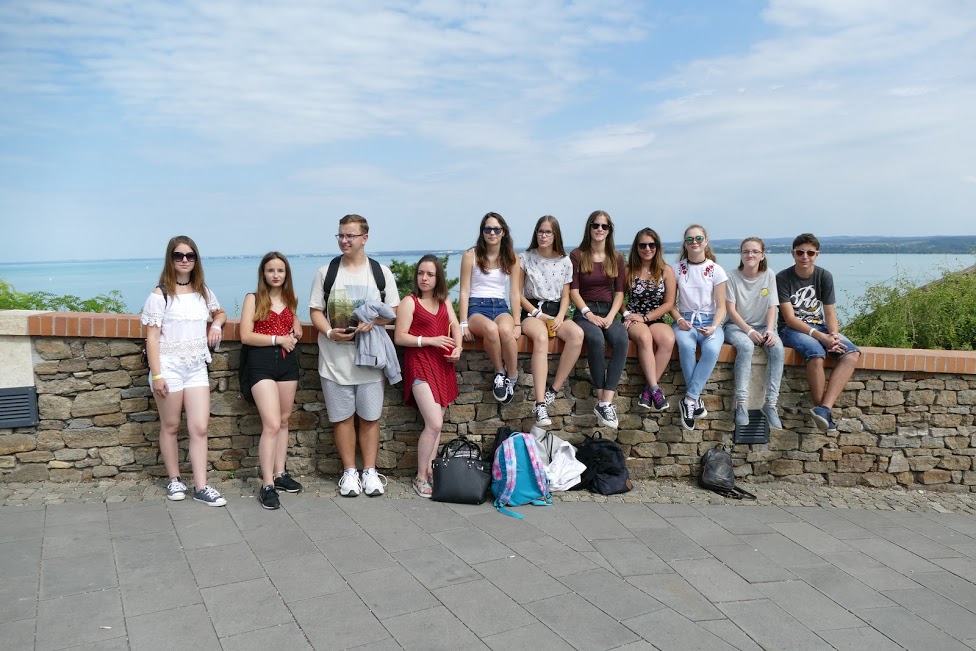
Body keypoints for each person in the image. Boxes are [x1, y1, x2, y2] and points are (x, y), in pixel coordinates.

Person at [309, 214, 400, 497]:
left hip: (370, 360)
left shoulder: (380, 273)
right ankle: (349, 472)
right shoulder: (326, 273)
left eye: (350, 235)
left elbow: (393, 312)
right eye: (340, 235)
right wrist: (329, 332)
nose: (344, 240)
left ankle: (369, 471)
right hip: (335, 360)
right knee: (342, 418)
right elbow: (315, 311)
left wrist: (373, 322)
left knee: (371, 418)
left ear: (364, 238)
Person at [142, 236, 228, 506]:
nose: (184, 260)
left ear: (196, 259)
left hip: (196, 367)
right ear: (170, 259)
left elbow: (220, 312)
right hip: (168, 367)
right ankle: (175, 479)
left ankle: (201, 486)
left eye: (190, 256)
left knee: (199, 427)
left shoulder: (203, 291)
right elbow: (152, 338)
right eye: (178, 255)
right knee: (170, 426)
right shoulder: (160, 295)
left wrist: (216, 325)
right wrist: (157, 374)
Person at [394, 255, 463, 497]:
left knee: (436, 426)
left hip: (443, 365)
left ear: (437, 278)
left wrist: (458, 347)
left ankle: (430, 471)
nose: (424, 278)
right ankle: (420, 477)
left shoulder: (443, 301)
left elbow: (455, 326)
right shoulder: (409, 302)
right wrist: (430, 340)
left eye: (430, 274)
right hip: (419, 364)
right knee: (434, 423)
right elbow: (400, 337)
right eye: (421, 273)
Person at [777, 233, 860, 432]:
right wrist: (821, 337)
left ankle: (824, 409)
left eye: (810, 253)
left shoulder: (824, 276)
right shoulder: (782, 278)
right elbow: (790, 318)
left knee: (851, 353)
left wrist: (834, 336)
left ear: (817, 255)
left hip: (820, 327)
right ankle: (820, 408)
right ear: (793, 254)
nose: (805, 256)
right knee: (815, 353)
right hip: (791, 329)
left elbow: (829, 312)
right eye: (800, 252)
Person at [240, 252, 304, 510]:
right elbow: (246, 335)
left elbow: (293, 322)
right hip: (261, 364)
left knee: (284, 421)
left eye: (280, 270)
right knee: (272, 424)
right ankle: (267, 484)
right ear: (263, 273)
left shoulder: (291, 298)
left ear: (286, 274)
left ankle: (280, 474)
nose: (276, 275)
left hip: (287, 364)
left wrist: (297, 325)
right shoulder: (253, 298)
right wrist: (278, 339)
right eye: (271, 270)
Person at [518, 216, 584, 426]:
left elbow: (566, 296)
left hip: (556, 311)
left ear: (555, 235)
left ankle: (552, 390)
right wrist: (538, 315)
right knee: (540, 337)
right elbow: (517, 294)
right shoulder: (525, 258)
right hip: (532, 310)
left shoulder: (565, 261)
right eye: (540, 231)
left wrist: (560, 316)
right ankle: (540, 405)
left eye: (548, 232)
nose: (543, 235)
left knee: (577, 335)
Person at [570, 210, 628, 429]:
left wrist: (611, 316)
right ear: (589, 228)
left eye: (604, 226)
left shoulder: (616, 257)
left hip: (608, 310)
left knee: (621, 339)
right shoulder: (578, 255)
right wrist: (589, 314)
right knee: (596, 339)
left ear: (609, 230)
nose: (600, 229)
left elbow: (619, 293)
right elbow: (574, 291)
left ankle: (605, 402)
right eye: (596, 225)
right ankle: (601, 397)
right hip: (585, 311)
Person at [458, 212, 522, 404]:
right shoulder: (471, 255)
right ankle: (499, 373)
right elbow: (464, 291)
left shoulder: (512, 257)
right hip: (477, 307)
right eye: (488, 229)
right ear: (482, 232)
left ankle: (512, 376)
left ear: (503, 232)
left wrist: (517, 322)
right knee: (492, 329)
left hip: (500, 307)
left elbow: (514, 293)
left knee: (506, 331)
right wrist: (463, 323)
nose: (492, 233)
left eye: (496, 229)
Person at [670, 224, 727, 431]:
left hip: (709, 322)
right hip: (685, 320)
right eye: (690, 239)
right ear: (685, 244)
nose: (694, 242)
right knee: (686, 346)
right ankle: (694, 400)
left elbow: (721, 307)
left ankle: (690, 399)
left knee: (711, 349)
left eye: (698, 238)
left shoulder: (716, 270)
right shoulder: (676, 269)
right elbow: (670, 304)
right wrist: (679, 319)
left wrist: (714, 327)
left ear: (706, 242)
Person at [724, 237, 785, 429]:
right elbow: (730, 310)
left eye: (755, 251)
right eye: (746, 251)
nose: (750, 255)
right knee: (746, 346)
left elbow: (772, 306)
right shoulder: (731, 276)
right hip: (736, 327)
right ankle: (741, 404)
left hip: (763, 327)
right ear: (741, 254)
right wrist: (749, 331)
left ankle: (770, 404)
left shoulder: (769, 275)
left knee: (777, 349)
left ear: (762, 255)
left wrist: (770, 330)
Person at [622, 228, 676, 412]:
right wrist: (627, 314)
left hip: (654, 317)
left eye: (651, 245)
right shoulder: (628, 270)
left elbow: (669, 303)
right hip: (634, 319)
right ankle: (655, 389)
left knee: (668, 339)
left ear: (657, 247)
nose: (647, 249)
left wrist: (646, 317)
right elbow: (617, 298)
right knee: (645, 338)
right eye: (643, 245)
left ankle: (648, 390)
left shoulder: (666, 271)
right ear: (636, 247)